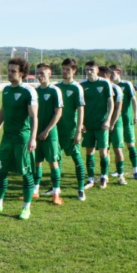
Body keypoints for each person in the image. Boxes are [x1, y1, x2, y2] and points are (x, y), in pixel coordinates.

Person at [0, 57, 38, 220]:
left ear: (22, 73)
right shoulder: (6, 90)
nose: (10, 73)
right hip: (7, 139)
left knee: (26, 173)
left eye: (13, 71)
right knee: (1, 172)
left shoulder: (29, 91)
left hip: (22, 139)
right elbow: (3, 110)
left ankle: (26, 208)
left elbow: (34, 116)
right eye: (9, 70)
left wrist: (33, 138)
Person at [55, 58, 88, 200]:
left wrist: (79, 130)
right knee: (56, 158)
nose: (64, 71)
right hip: (57, 129)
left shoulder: (77, 88)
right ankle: (56, 187)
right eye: (63, 68)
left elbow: (81, 110)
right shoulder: (56, 87)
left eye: (68, 69)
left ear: (74, 71)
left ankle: (80, 189)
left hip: (71, 130)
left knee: (76, 157)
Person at [31, 62, 65, 203]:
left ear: (49, 74)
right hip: (36, 133)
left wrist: (47, 130)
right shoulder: (35, 91)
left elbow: (58, 113)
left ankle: (56, 193)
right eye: (37, 73)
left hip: (50, 134)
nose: (39, 76)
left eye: (42, 73)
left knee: (53, 163)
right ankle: (35, 191)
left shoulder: (55, 90)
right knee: (36, 162)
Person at [79, 60, 114, 189]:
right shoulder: (82, 85)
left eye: (91, 70)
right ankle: (90, 179)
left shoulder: (105, 83)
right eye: (87, 69)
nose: (89, 72)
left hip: (101, 124)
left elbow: (111, 103)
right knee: (89, 152)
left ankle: (104, 177)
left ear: (97, 70)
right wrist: (81, 123)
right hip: (88, 125)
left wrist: (108, 120)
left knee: (103, 152)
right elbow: (79, 106)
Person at [112, 65, 137, 182]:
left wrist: (136, 115)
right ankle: (118, 170)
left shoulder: (127, 84)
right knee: (116, 147)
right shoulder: (110, 86)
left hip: (126, 120)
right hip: (114, 121)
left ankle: (136, 171)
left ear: (119, 73)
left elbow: (134, 100)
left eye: (113, 73)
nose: (111, 76)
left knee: (131, 145)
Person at [99, 67, 125, 186]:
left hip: (115, 122)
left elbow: (118, 108)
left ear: (106, 75)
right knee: (104, 150)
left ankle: (120, 175)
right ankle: (105, 175)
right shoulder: (99, 88)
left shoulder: (116, 89)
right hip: (103, 122)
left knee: (117, 148)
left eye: (100, 74)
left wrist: (112, 123)